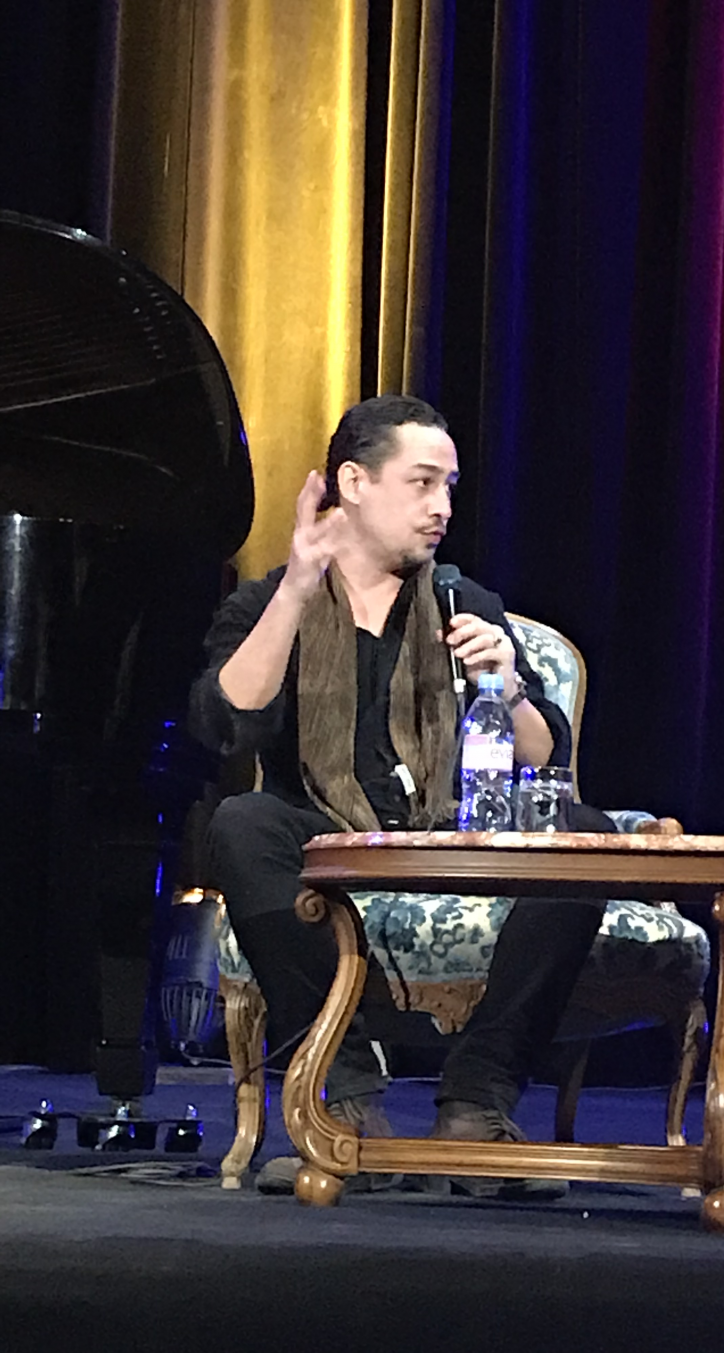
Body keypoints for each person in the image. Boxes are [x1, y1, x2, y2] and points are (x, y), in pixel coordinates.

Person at [189, 394, 612, 1196]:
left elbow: (544, 756)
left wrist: (506, 687)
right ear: (354, 483)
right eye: (422, 483)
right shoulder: (269, 602)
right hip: (325, 842)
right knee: (243, 822)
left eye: (449, 486)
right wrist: (297, 588)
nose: (442, 507)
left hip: (451, 838)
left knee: (583, 831)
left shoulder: (463, 603)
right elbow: (227, 723)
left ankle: (477, 1105)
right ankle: (344, 1106)